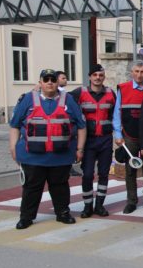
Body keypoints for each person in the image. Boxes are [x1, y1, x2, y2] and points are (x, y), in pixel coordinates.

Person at [8, 68, 87, 229]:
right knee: (31, 188)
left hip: (61, 156)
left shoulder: (69, 100)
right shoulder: (27, 99)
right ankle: (26, 217)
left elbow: (81, 126)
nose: (50, 82)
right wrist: (13, 147)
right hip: (33, 156)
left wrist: (80, 149)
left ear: (58, 82)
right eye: (46, 80)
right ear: (40, 83)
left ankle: (63, 213)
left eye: (53, 79)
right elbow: (15, 125)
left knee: (60, 187)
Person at [68, 64, 115, 218]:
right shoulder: (78, 93)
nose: (97, 78)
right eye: (94, 75)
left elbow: (116, 115)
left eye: (100, 75)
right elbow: (62, 99)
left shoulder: (110, 93)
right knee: (87, 174)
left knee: (103, 174)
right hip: (87, 141)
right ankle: (87, 205)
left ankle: (100, 205)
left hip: (105, 140)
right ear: (89, 77)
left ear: (104, 77)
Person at [113, 59, 143, 214]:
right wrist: (118, 134)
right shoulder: (123, 89)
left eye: (142, 71)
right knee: (130, 169)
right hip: (129, 136)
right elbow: (117, 113)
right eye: (136, 71)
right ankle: (131, 201)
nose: (139, 75)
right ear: (131, 72)